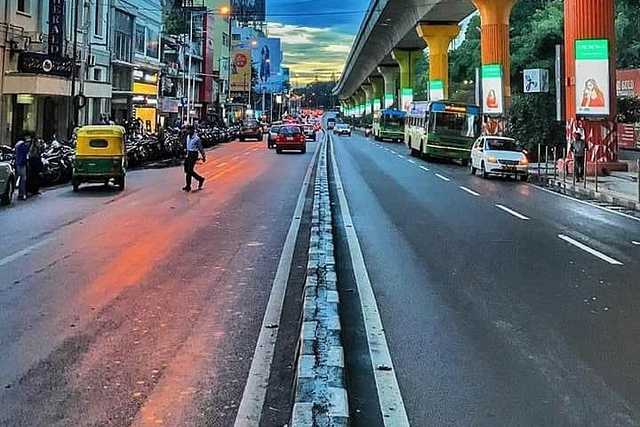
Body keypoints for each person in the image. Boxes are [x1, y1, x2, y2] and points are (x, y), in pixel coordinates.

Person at [183, 124, 206, 191]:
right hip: (188, 153)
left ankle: (189, 185)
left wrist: (203, 156)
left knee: (189, 170)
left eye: (188, 130)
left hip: (193, 154)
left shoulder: (196, 138)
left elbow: (200, 147)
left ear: (192, 131)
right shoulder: (187, 136)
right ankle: (199, 179)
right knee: (187, 170)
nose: (187, 131)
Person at [14, 131, 31, 201]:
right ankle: (21, 194)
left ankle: (18, 193)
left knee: (19, 177)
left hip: (19, 162)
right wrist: (28, 144)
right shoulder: (22, 144)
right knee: (23, 178)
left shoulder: (18, 144)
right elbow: (26, 151)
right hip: (21, 163)